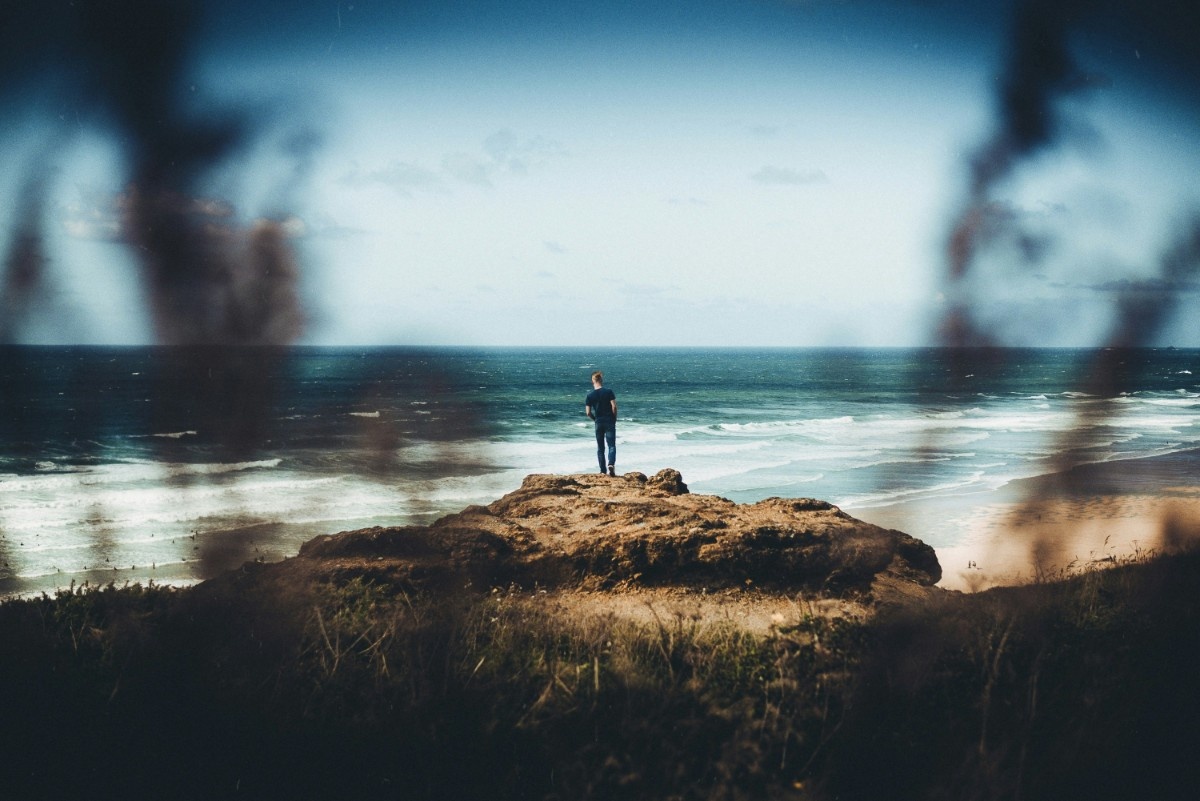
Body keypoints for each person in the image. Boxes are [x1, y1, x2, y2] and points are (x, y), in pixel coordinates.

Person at [585, 370, 617, 476]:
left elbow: (588, 412)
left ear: (592, 381)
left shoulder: (589, 395)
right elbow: (614, 406)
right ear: (601, 380)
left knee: (600, 448)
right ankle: (611, 464)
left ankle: (603, 471)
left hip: (598, 422)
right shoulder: (609, 392)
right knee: (611, 445)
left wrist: (595, 420)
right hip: (609, 421)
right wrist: (614, 418)